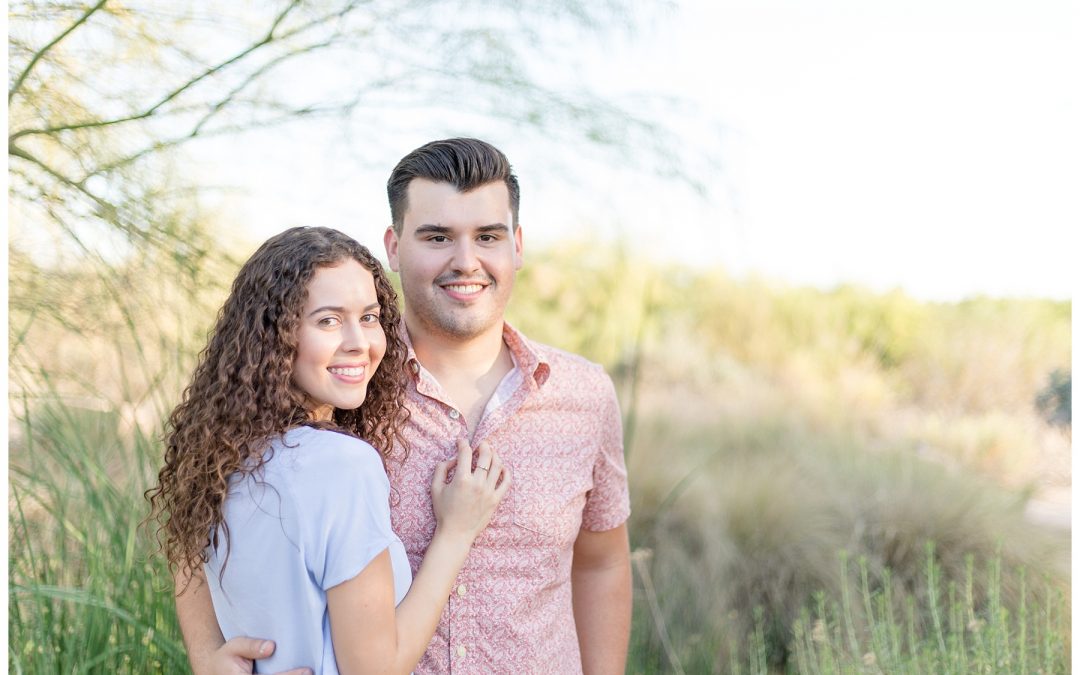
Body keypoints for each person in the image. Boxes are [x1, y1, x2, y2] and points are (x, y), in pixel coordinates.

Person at [180, 138, 633, 674]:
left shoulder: (584, 395)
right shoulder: (340, 385)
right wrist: (208, 654)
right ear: (394, 247)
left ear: (516, 245)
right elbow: (198, 504)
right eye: (437, 236)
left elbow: (602, 564)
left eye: (487, 236)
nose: (466, 261)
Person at [147, 227, 509, 674]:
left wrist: (206, 660)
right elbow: (375, 668)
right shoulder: (343, 466)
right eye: (328, 320)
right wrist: (456, 534)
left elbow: (186, 562)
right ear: (276, 336)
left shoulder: (217, 457)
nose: (360, 342)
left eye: (370, 317)